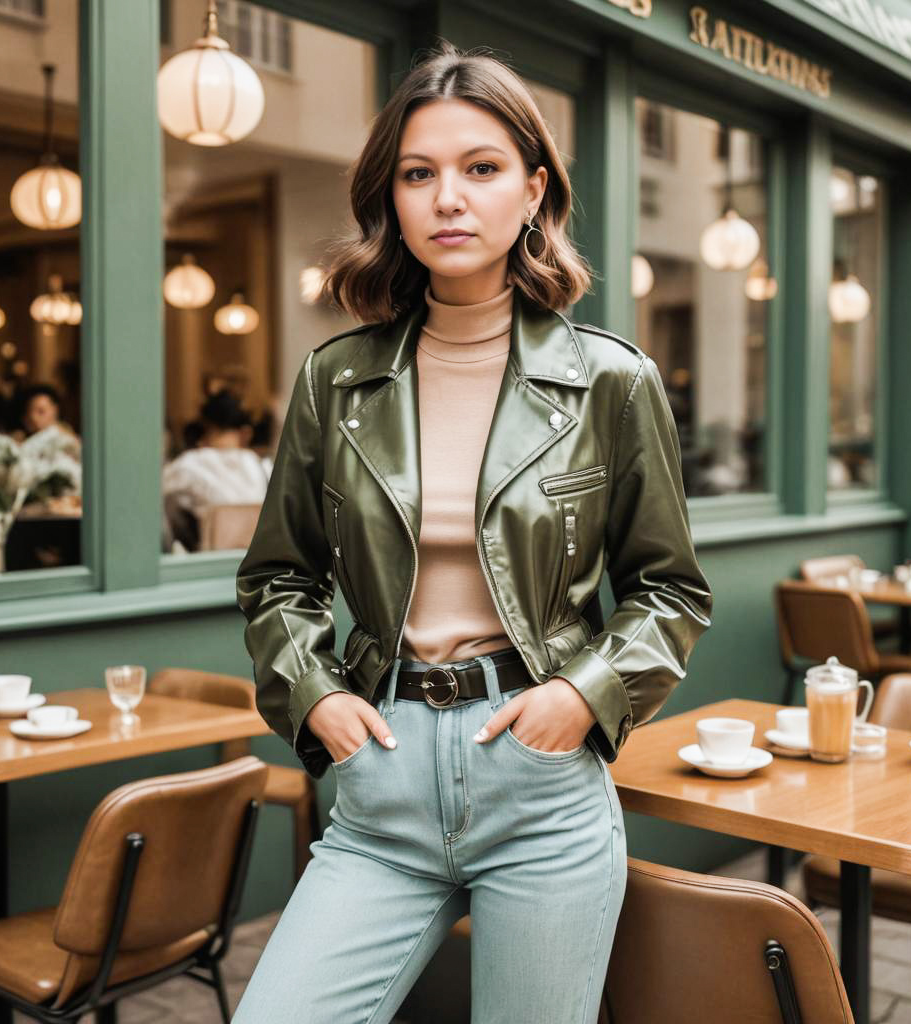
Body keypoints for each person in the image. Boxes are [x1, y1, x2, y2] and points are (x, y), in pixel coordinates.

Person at [233, 38, 712, 1024]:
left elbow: (670, 590)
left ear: (532, 191)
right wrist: (317, 699)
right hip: (381, 780)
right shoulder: (338, 378)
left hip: (538, 782)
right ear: (393, 199)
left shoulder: (608, 380)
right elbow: (277, 578)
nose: (448, 197)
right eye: (419, 174)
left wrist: (582, 696)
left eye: (480, 168)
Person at [161, 389, 272, 552]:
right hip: (258, 562)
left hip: (211, 565)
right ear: (246, 433)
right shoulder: (263, 466)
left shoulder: (189, 465)